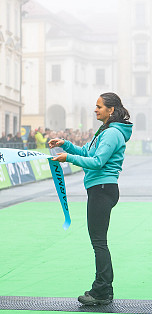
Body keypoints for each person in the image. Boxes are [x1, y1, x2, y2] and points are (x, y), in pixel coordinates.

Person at [50, 92, 132, 306]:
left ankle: (101, 291)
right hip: (100, 188)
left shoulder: (112, 133)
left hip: (103, 189)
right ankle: (104, 290)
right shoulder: (104, 131)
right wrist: (65, 145)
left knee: (99, 243)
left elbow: (96, 161)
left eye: (99, 106)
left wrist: (68, 158)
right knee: (99, 242)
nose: (95, 109)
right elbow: (86, 151)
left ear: (111, 110)